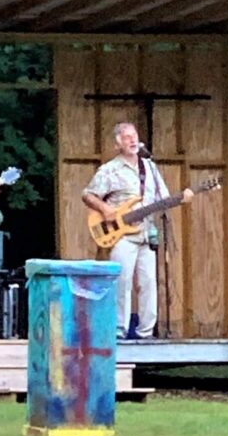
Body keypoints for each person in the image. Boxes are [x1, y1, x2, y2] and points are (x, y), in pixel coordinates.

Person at [82, 122, 193, 339]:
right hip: (122, 234)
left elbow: (162, 199)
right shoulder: (110, 170)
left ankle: (146, 332)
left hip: (146, 232)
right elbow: (87, 194)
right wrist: (105, 208)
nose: (132, 140)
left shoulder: (150, 167)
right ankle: (119, 331)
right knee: (122, 282)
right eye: (126, 138)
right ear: (117, 144)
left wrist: (182, 198)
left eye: (134, 136)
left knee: (149, 282)